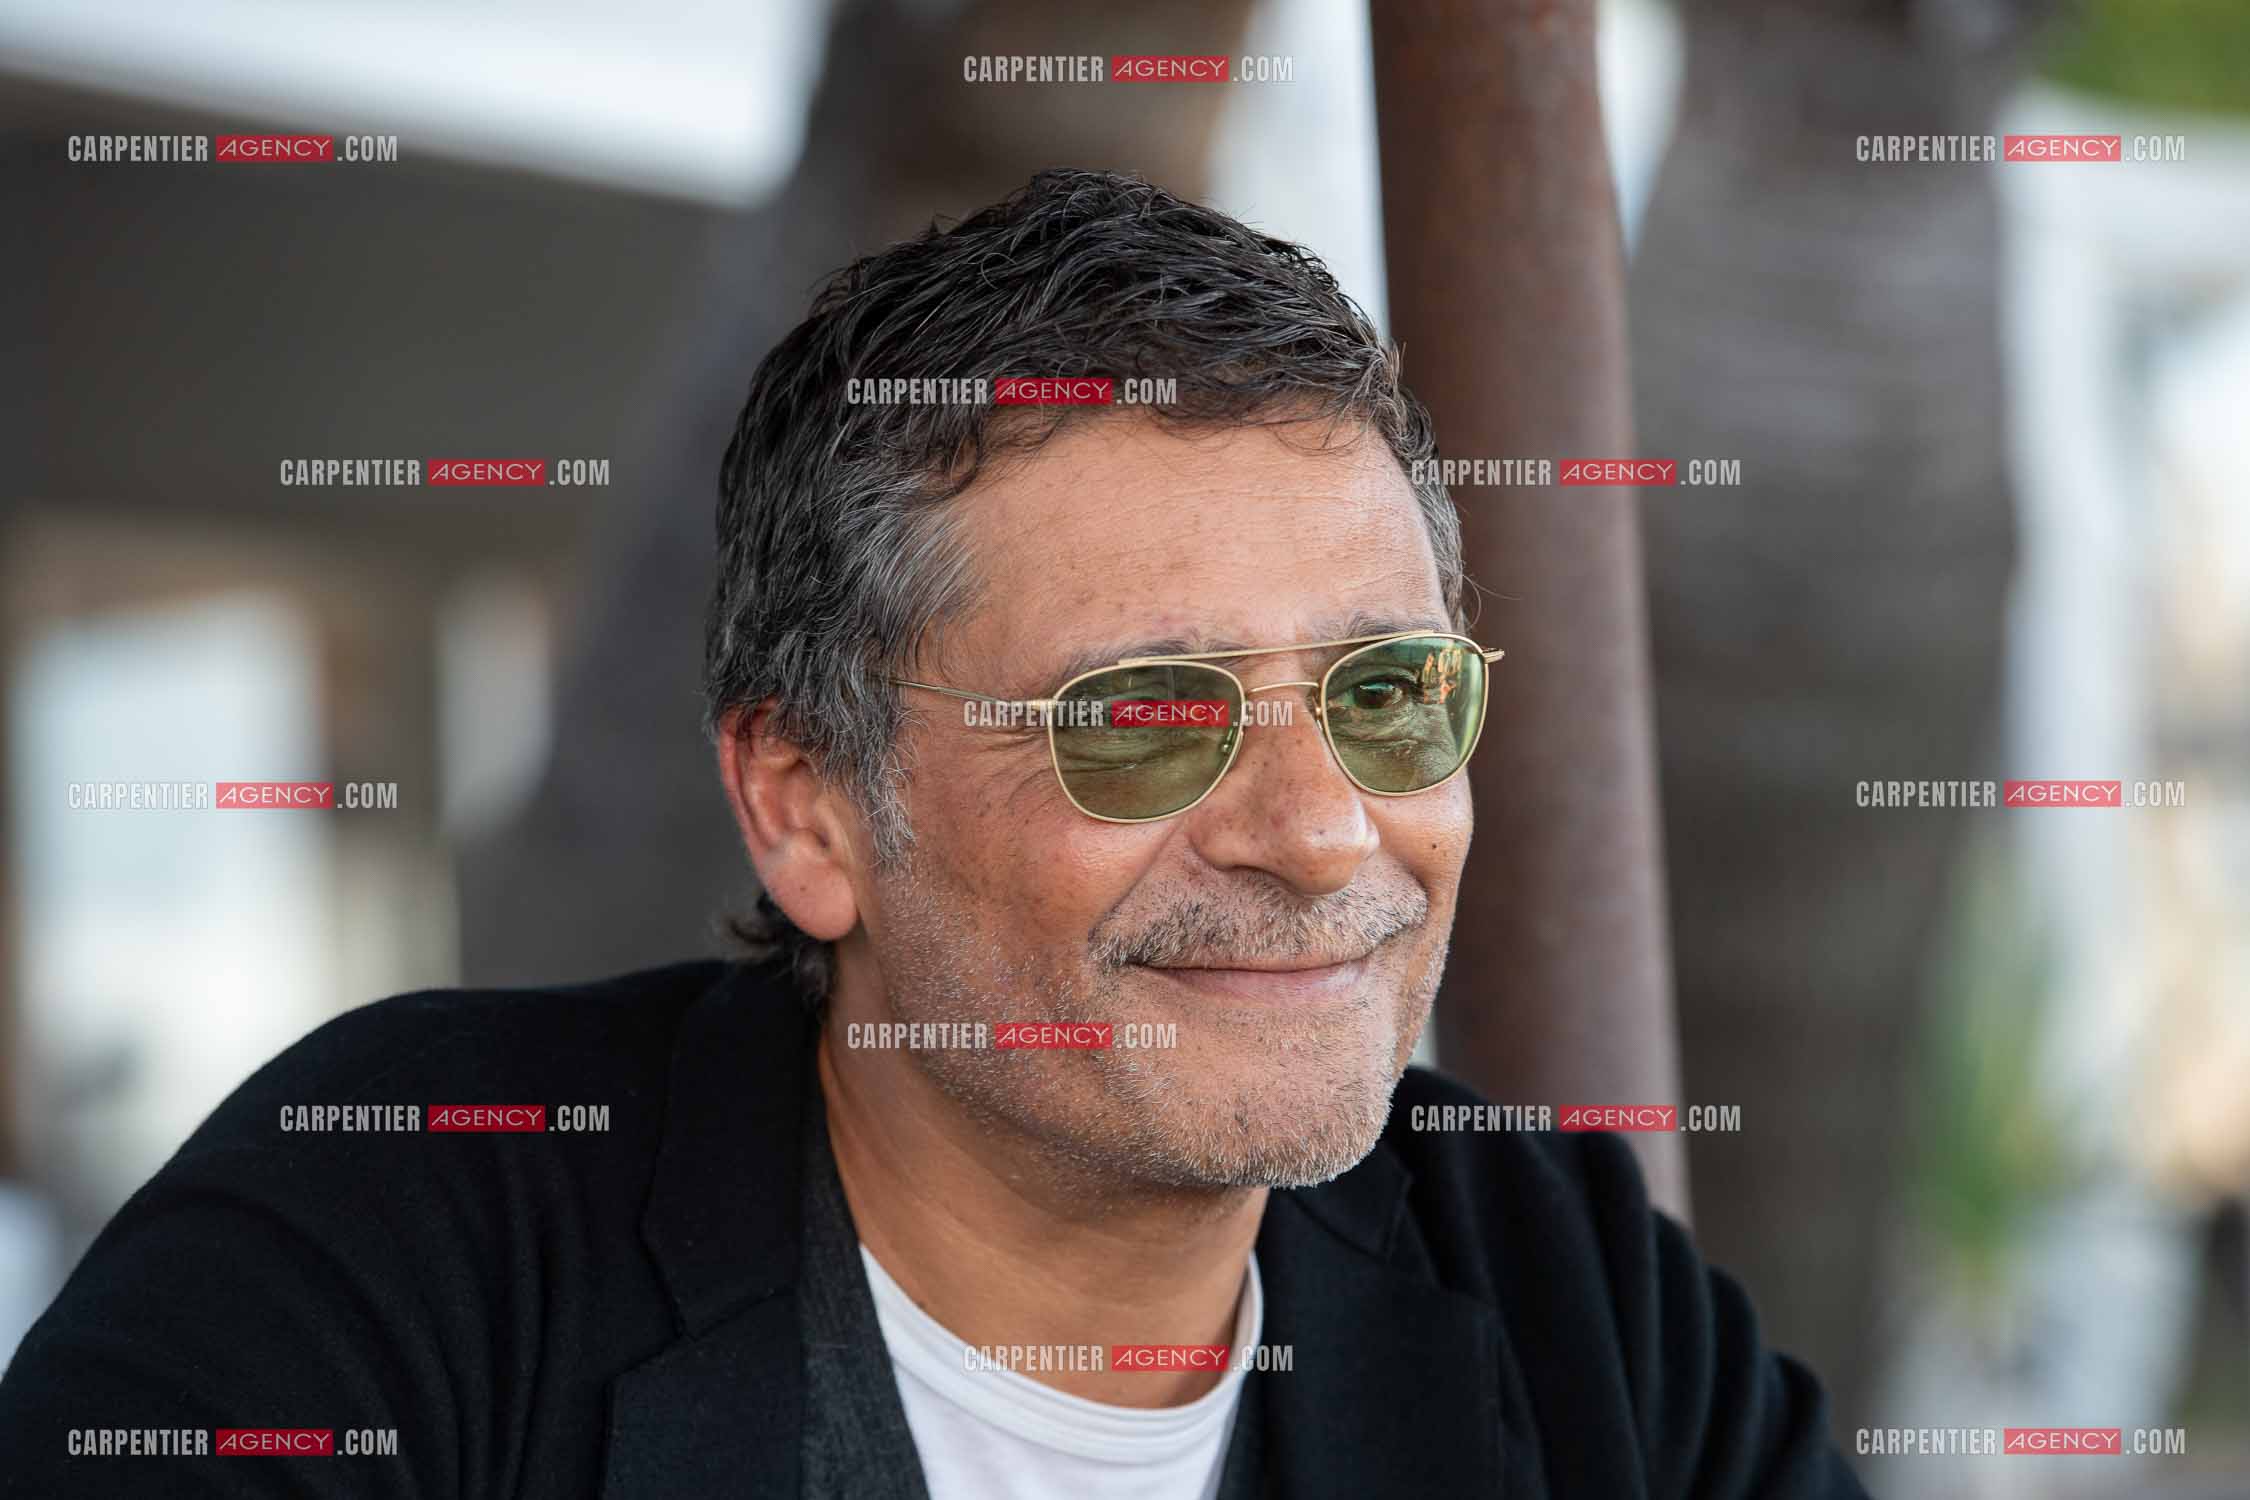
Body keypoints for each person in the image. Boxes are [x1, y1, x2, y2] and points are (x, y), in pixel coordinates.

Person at [0, 169, 1869, 1498]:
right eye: (1141, 716)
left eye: (1386, 695)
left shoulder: (1560, 1294)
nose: (1316, 834)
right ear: (806, 810)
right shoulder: (407, 1236)